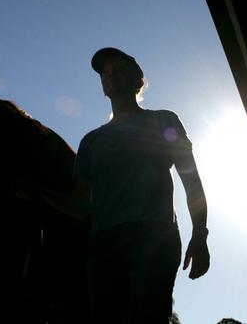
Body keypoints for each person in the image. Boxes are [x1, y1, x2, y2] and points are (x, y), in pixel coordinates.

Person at [22, 47, 209, 323]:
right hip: (104, 247)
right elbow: (81, 205)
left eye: (118, 69)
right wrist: (36, 192)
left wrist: (200, 234)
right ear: (103, 87)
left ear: (138, 81)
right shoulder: (91, 142)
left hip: (155, 239)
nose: (110, 75)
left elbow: (191, 180)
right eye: (105, 73)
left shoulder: (163, 120)